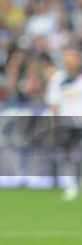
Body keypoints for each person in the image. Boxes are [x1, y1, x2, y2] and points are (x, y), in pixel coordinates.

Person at [45, 47, 82, 201]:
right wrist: (54, 124)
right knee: (67, 154)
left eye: (72, 58)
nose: (70, 62)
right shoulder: (58, 78)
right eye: (67, 59)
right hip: (66, 122)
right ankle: (72, 184)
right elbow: (53, 103)